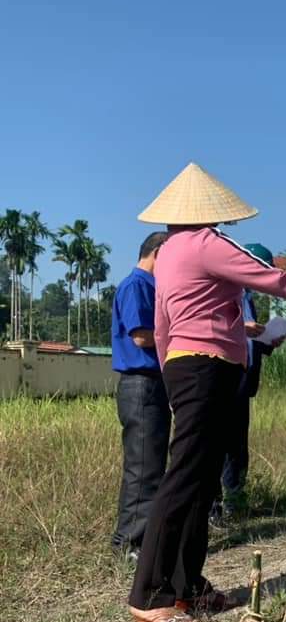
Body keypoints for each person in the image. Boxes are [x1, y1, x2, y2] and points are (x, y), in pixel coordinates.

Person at [127, 163, 286, 622]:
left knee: (201, 481)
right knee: (186, 478)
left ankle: (187, 585)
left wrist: (172, 366)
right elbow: (278, 282)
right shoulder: (207, 244)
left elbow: (163, 325)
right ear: (210, 214)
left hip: (188, 364)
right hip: (205, 367)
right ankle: (150, 595)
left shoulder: (169, 253)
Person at [209, 242, 282, 527]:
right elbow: (213, 329)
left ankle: (235, 502)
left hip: (243, 381)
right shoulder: (224, 292)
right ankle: (213, 507)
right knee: (217, 445)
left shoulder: (247, 296)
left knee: (237, 446)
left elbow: (248, 343)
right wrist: (244, 329)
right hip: (223, 379)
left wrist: (267, 342)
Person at [110, 231, 170, 563]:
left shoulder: (152, 286)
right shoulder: (136, 286)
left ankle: (143, 537)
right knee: (143, 465)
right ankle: (128, 542)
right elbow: (141, 337)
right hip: (140, 383)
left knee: (152, 462)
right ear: (158, 253)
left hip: (154, 383)